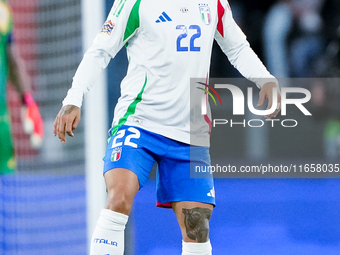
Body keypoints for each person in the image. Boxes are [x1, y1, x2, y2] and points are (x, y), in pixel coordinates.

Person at [53, 0, 281, 254]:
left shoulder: (215, 3)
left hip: (190, 132)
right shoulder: (135, 3)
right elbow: (100, 50)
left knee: (197, 228)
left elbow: (237, 47)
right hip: (139, 122)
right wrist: (73, 98)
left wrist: (265, 78)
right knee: (119, 197)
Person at [0, 0, 44, 175]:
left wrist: (28, 101)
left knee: (5, 193)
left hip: (2, 122)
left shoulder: (3, 10)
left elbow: (12, 59)